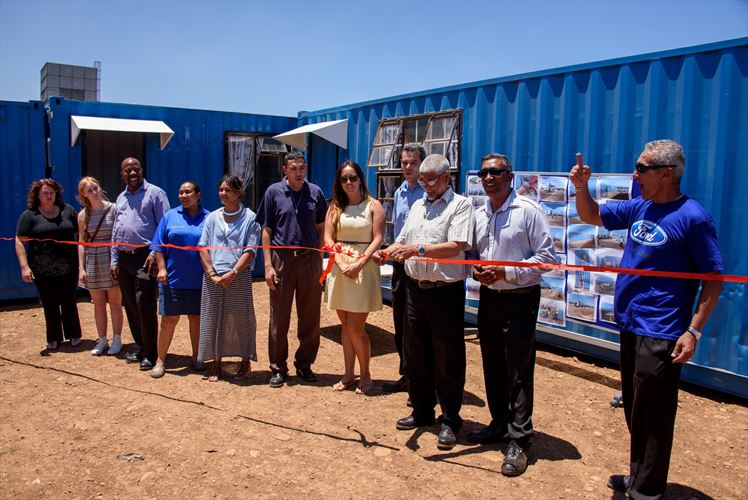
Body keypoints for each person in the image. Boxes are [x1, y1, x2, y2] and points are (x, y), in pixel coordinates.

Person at [570, 140, 723, 499]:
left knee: (654, 414)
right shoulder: (641, 206)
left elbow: (714, 279)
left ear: (666, 173)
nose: (634, 175)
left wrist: (694, 330)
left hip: (663, 330)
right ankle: (640, 475)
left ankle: (648, 490)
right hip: (631, 323)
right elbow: (591, 215)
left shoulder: (693, 217)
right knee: (637, 406)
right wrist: (580, 187)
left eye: (641, 168)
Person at [466, 153, 556, 477]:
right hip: (489, 299)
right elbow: (474, 255)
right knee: (492, 363)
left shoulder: (528, 212)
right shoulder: (479, 213)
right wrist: (478, 272)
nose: (488, 178)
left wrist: (506, 272)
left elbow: (547, 259)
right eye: (483, 173)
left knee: (518, 369)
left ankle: (520, 439)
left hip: (520, 300)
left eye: (495, 172)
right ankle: (499, 424)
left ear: (509, 176)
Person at [376, 154, 473, 451]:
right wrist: (385, 252)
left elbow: (456, 246)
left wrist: (415, 249)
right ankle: (422, 411)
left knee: (447, 357)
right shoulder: (418, 206)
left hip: (445, 292)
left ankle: (450, 419)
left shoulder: (461, 206)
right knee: (415, 352)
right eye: (423, 180)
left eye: (431, 179)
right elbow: (401, 239)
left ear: (447, 178)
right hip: (415, 289)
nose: (426, 185)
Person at [257, 152, 328, 388]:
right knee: (279, 317)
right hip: (282, 261)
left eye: (302, 168)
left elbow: (321, 228)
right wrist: (267, 265)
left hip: (309, 261)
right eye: (293, 168)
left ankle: (304, 364)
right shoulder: (273, 192)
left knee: (310, 317)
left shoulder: (315, 193)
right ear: (285, 171)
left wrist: (320, 259)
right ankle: (278, 367)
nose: (298, 173)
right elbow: (266, 230)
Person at [324, 160, 385, 395]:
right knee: (345, 326)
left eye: (353, 177)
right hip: (339, 268)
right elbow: (328, 239)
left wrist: (359, 263)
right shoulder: (334, 207)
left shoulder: (374, 205)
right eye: (344, 178)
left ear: (360, 178)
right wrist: (339, 262)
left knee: (356, 327)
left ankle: (365, 375)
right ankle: (349, 374)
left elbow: (378, 238)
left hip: (364, 267)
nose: (348, 182)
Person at [197, 176, 261, 382]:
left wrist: (233, 272)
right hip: (213, 278)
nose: (223, 194)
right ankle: (215, 363)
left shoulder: (250, 218)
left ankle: (245, 362)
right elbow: (203, 246)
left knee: (242, 321)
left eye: (228, 190)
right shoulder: (212, 217)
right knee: (212, 319)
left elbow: (250, 250)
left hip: (238, 277)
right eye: (221, 189)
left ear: (239, 192)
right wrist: (212, 274)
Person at [110, 157, 170, 371]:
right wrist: (114, 259)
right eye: (127, 170)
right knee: (130, 304)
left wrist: (156, 253)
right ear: (122, 174)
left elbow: (165, 226)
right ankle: (141, 345)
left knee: (144, 303)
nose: (132, 173)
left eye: (135, 169)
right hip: (124, 258)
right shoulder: (121, 198)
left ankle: (152, 352)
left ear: (142, 171)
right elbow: (116, 231)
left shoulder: (155, 193)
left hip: (146, 257)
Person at [149, 181, 210, 378]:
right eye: (181, 192)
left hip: (200, 280)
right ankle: (160, 360)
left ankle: (197, 357)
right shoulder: (170, 216)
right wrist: (162, 269)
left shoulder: (209, 218)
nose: (184, 196)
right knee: (168, 320)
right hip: (172, 280)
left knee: (197, 319)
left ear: (198, 194)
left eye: (188, 192)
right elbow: (158, 246)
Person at [15, 179, 82, 350]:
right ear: (37, 195)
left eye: (52, 192)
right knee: (49, 302)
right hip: (42, 269)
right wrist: (25, 267)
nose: (49, 195)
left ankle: (74, 335)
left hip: (68, 267)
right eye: (45, 192)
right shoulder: (29, 215)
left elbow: (82, 234)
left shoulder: (68, 211)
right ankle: (53, 337)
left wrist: (82, 263)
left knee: (69, 301)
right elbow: (20, 241)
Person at [382, 143, 426, 394]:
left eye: (413, 163)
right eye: (404, 163)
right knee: (400, 323)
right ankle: (406, 375)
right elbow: (398, 232)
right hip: (399, 265)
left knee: (416, 326)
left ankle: (420, 381)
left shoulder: (429, 193)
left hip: (420, 266)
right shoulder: (399, 193)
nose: (408, 167)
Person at [77, 176, 124, 356]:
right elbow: (82, 242)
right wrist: (81, 268)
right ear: (83, 194)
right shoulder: (83, 215)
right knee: (98, 303)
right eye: (89, 190)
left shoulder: (113, 209)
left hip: (111, 259)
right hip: (93, 260)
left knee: (115, 302)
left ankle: (117, 339)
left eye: (95, 188)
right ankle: (102, 339)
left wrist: (116, 261)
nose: (94, 192)